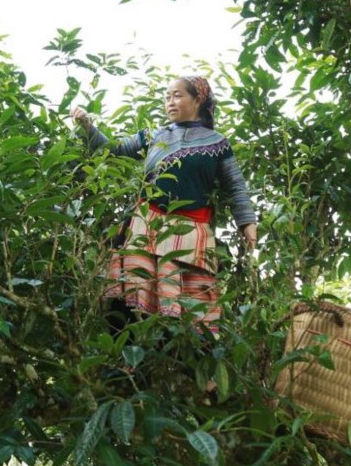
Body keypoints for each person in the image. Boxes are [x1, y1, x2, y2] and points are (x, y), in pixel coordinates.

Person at [71, 76, 257, 336]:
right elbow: (112, 150)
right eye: (167, 96)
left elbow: (235, 186)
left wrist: (247, 223)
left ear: (198, 99)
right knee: (130, 305)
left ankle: (186, 369)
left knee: (192, 313)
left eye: (178, 95)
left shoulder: (217, 144)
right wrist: (87, 125)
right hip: (146, 227)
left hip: (190, 233)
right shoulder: (154, 135)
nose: (170, 102)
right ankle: (126, 367)